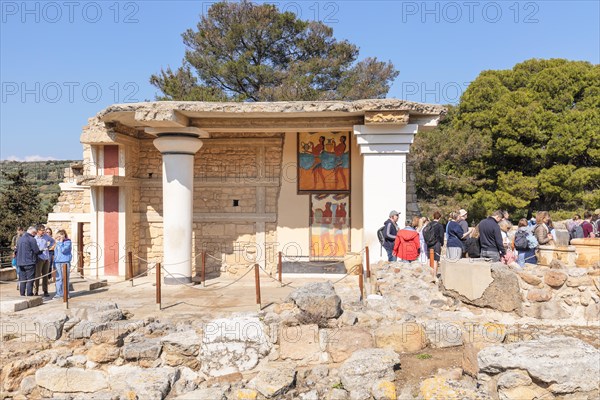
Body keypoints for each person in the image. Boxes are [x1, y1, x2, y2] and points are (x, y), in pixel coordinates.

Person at [15, 227, 41, 297]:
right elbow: (36, 251)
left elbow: (16, 250)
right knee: (30, 279)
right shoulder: (32, 239)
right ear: (33, 233)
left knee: (22, 279)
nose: (35, 235)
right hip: (29, 262)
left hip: (20, 262)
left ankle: (22, 294)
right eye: (35, 234)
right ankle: (29, 294)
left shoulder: (20, 239)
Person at [34, 224, 55, 297]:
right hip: (39, 258)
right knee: (37, 276)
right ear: (38, 231)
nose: (43, 232)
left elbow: (53, 241)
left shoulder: (46, 236)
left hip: (46, 258)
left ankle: (45, 291)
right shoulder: (35, 238)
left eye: (44, 230)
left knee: (45, 276)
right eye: (42, 230)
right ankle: (35, 291)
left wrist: (49, 246)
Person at [53, 229, 72, 299]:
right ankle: (59, 293)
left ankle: (66, 293)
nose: (59, 237)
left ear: (64, 235)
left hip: (65, 262)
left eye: (61, 235)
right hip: (57, 262)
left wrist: (61, 242)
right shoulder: (57, 243)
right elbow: (56, 253)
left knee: (65, 278)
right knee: (58, 279)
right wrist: (54, 263)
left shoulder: (68, 242)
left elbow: (64, 250)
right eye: (58, 236)